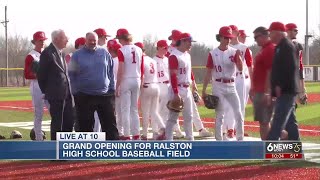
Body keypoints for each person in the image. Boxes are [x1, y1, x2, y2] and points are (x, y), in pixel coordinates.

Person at [68, 32, 119, 140]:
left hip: (104, 95)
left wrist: (112, 89)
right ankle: (87, 149)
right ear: (85, 41)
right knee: (85, 125)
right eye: (90, 40)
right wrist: (76, 92)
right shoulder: (77, 55)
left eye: (94, 40)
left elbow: (110, 71)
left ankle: (113, 147)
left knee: (110, 124)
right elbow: (72, 74)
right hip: (85, 95)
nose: (92, 42)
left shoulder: (104, 52)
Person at [202, 26, 244, 141]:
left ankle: (240, 139)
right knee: (220, 115)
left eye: (229, 37)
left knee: (238, 113)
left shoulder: (234, 52)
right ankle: (219, 141)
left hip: (231, 85)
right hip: (218, 86)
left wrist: (239, 59)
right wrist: (204, 90)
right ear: (220, 37)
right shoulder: (212, 53)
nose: (228, 40)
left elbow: (240, 68)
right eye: (226, 37)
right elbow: (208, 73)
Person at [37, 29, 75, 140]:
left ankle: (65, 149)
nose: (67, 40)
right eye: (64, 38)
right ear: (56, 39)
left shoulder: (62, 53)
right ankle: (55, 152)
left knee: (69, 121)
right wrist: (47, 91)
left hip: (67, 94)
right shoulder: (48, 53)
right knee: (58, 123)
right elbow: (41, 75)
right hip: (55, 95)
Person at [267, 22, 300, 141]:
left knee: (278, 122)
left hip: (287, 91)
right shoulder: (280, 46)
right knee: (290, 124)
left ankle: (268, 152)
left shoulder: (287, 46)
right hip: (285, 91)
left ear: (277, 32)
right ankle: (297, 151)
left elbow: (290, 68)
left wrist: (279, 85)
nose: (269, 35)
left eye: (271, 32)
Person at [222, 25, 253, 139]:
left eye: (233, 31)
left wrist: (252, 82)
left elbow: (250, 66)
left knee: (241, 105)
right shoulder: (226, 47)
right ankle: (229, 128)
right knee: (228, 105)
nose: (231, 33)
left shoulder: (244, 48)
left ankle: (238, 128)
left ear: (237, 33)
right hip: (230, 78)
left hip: (241, 79)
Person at [165, 32, 196, 141]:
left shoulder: (187, 55)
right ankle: (168, 142)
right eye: (189, 42)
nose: (190, 44)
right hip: (177, 88)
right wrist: (176, 93)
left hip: (187, 88)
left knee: (189, 116)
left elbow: (189, 71)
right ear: (182, 41)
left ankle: (190, 139)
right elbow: (173, 75)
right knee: (173, 117)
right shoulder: (174, 55)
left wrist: (194, 84)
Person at [115, 28, 144, 140]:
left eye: (119, 39)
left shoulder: (122, 50)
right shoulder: (139, 49)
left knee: (125, 109)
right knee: (134, 109)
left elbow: (121, 69)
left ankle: (126, 135)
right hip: (136, 78)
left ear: (122, 38)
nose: (119, 41)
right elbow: (141, 67)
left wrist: (118, 85)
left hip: (126, 79)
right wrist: (140, 80)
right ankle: (136, 134)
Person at [135, 42, 166, 140]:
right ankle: (162, 127)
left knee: (145, 112)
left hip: (146, 86)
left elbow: (142, 75)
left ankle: (144, 134)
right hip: (156, 85)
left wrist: (140, 87)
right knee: (154, 111)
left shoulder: (140, 60)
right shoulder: (152, 60)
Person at [155, 38, 184, 139]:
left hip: (168, 85)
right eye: (164, 48)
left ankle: (175, 130)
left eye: (166, 48)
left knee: (171, 109)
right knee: (160, 110)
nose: (166, 50)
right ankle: (161, 130)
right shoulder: (154, 60)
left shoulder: (168, 59)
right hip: (158, 85)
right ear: (158, 48)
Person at [24, 31, 50, 141]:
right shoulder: (31, 56)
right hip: (37, 86)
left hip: (49, 86)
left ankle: (56, 138)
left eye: (43, 40)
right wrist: (38, 75)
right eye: (40, 40)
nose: (42, 42)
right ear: (35, 42)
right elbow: (26, 74)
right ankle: (39, 138)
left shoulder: (47, 54)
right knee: (38, 114)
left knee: (54, 112)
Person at [250, 26, 275, 140]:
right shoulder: (264, 49)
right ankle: (269, 146)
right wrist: (253, 88)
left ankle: (267, 149)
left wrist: (267, 92)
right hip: (259, 90)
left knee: (264, 122)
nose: (255, 40)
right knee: (264, 122)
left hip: (263, 91)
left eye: (256, 37)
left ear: (265, 35)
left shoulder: (269, 49)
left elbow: (270, 72)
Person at [285, 23, 307, 105]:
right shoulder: (282, 45)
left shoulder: (298, 45)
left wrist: (302, 84)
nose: (297, 32)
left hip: (295, 76)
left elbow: (300, 65)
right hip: (286, 79)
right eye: (295, 30)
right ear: (288, 31)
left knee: (294, 103)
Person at [107, 39, 124, 139]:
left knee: (115, 111)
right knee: (123, 111)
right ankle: (121, 131)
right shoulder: (122, 60)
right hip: (124, 86)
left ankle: (118, 131)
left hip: (114, 87)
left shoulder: (112, 61)